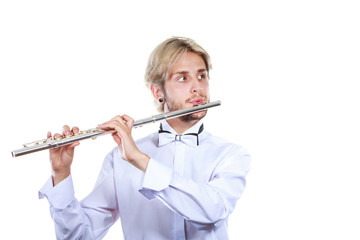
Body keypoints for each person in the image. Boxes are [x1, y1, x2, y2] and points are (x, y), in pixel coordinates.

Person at [39, 37, 251, 240]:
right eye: (183, 78)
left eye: (202, 76)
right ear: (158, 91)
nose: (198, 87)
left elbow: (212, 210)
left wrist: (140, 160)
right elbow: (78, 237)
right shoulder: (118, 160)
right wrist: (61, 173)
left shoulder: (231, 155)